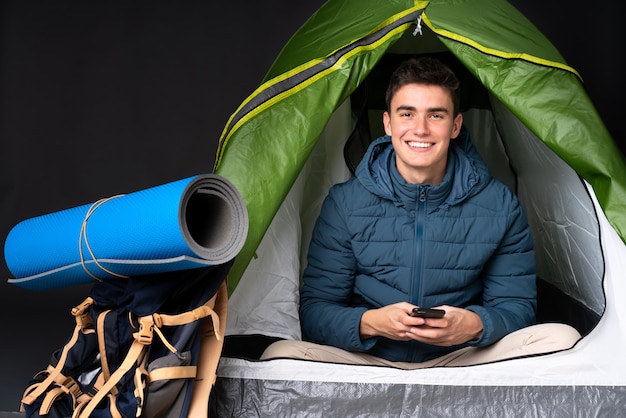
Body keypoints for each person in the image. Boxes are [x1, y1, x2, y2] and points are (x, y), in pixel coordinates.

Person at [261, 56, 581, 368]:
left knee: (561, 338)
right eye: (407, 114)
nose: (420, 129)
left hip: (460, 359)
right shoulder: (345, 203)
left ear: (455, 125)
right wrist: (370, 323)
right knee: (279, 354)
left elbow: (517, 308)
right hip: (367, 360)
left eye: (436, 115)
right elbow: (316, 311)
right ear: (388, 123)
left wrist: (475, 325)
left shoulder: (500, 205)